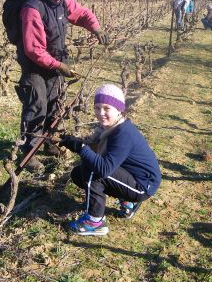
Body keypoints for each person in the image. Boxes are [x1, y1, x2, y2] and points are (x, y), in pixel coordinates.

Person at [16, 0, 109, 165]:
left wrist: (96, 29)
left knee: (55, 104)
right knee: (37, 105)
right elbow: (34, 50)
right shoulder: (32, 8)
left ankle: (50, 142)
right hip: (35, 66)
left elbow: (82, 13)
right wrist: (60, 66)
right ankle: (29, 152)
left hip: (55, 61)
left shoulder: (63, 1)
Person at [59, 84, 161, 236]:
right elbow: (97, 152)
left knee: (92, 170)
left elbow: (104, 168)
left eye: (107, 108)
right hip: (134, 176)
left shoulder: (123, 133)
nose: (101, 113)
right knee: (78, 173)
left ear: (119, 109)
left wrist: (80, 147)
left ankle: (95, 222)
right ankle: (127, 202)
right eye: (97, 107)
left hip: (143, 185)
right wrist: (74, 142)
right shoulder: (111, 128)